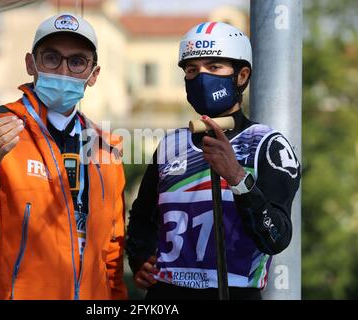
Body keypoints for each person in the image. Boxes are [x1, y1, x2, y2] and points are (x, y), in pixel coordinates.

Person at [0, 13, 127, 300]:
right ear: (31, 64)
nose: (64, 71)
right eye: (52, 58)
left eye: (77, 61)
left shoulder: (106, 147)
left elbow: (112, 255)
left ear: (93, 74)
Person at [126, 21, 301, 300]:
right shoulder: (172, 144)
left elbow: (276, 237)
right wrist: (140, 259)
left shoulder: (268, 144)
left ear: (242, 75)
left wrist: (237, 177)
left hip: (235, 292)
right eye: (192, 70)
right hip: (166, 295)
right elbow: (141, 217)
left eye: (214, 67)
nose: (201, 77)